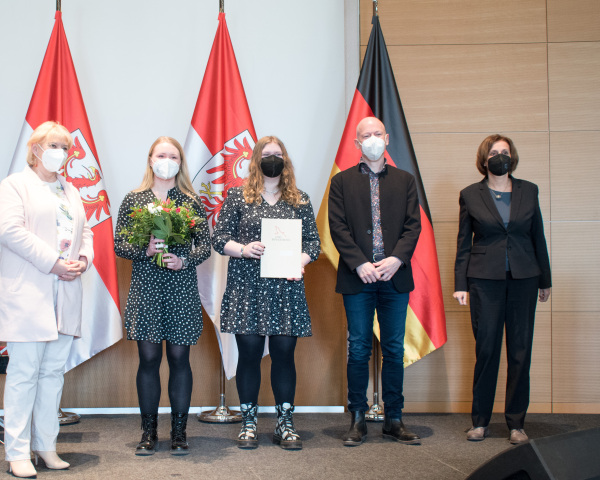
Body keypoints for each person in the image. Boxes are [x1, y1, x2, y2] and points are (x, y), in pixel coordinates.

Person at [0, 121, 93, 478]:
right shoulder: (14, 185)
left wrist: (83, 259)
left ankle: (46, 446)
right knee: (24, 373)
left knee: (52, 374)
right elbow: (11, 231)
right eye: (55, 145)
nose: (62, 153)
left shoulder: (70, 190)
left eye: (66, 147)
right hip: (29, 292)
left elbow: (87, 232)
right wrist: (52, 262)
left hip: (65, 291)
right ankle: (17, 452)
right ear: (36, 148)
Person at [213, 136, 320, 451]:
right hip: (247, 287)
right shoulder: (238, 197)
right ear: (256, 159)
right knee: (249, 355)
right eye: (267, 154)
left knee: (284, 355)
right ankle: (248, 422)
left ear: (285, 160)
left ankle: (285, 423)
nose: (272, 159)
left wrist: (300, 260)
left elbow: (313, 243)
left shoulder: (299, 199)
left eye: (278, 154)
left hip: (286, 287)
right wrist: (244, 249)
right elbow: (219, 238)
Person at [328, 116, 421, 446]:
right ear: (356, 144)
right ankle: (358, 417)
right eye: (365, 136)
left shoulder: (406, 181)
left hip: (395, 277)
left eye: (376, 134)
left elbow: (413, 227)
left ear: (387, 138)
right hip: (358, 279)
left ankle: (394, 418)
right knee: (359, 348)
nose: (371, 139)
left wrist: (396, 259)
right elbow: (337, 228)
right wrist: (360, 264)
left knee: (394, 348)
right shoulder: (340, 183)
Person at [114, 136, 210, 456]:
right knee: (149, 359)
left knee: (180, 359)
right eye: (161, 155)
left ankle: (180, 432)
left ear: (180, 163)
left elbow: (204, 246)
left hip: (180, 286)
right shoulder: (134, 199)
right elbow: (119, 245)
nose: (166, 160)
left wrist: (185, 260)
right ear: (150, 159)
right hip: (147, 287)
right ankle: (149, 432)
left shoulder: (191, 201)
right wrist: (145, 249)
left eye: (173, 156)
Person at [453, 134, 551, 445]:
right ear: (484, 160)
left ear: (513, 157)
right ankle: (480, 422)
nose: (500, 157)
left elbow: (538, 237)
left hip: (524, 279)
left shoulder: (529, 190)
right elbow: (463, 244)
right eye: (494, 152)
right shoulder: (470, 195)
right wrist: (461, 285)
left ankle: (516, 424)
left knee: (521, 351)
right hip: (484, 281)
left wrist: (545, 279)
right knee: (487, 350)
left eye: (504, 152)